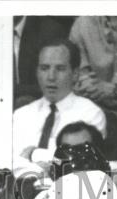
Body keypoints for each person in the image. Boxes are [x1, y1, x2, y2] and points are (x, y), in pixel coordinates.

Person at [11, 39, 106, 176]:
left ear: (75, 74)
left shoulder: (90, 114)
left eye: (60, 69)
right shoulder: (21, 115)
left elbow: (78, 164)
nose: (51, 77)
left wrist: (34, 154)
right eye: (44, 68)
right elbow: (9, 161)